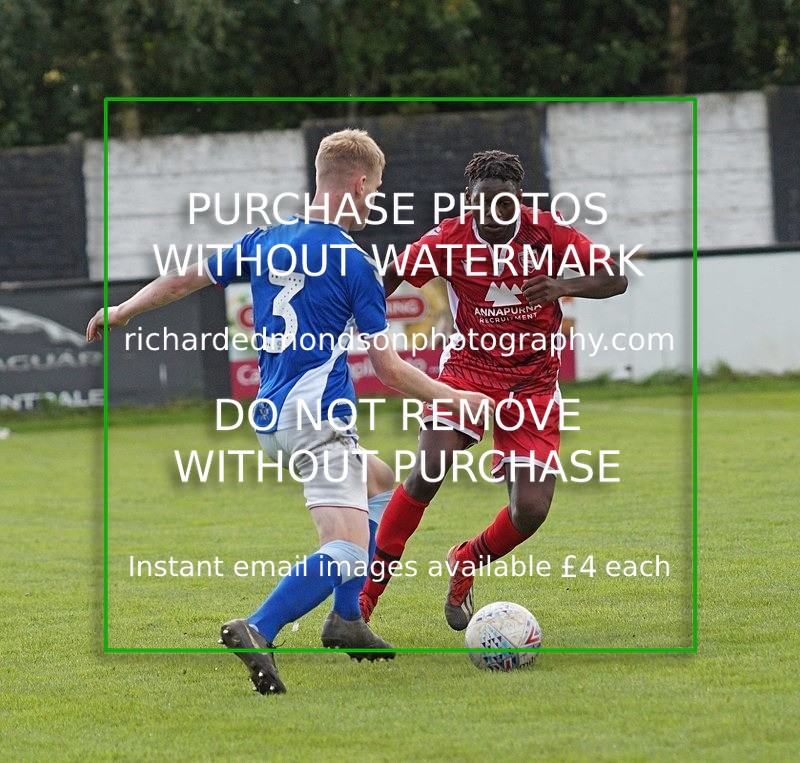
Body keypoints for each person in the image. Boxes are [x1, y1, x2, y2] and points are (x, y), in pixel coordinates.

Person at [86, 129, 492, 694]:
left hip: (273, 418)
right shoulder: (355, 264)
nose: (375, 201)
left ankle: (347, 618)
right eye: (376, 189)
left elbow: (186, 276)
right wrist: (460, 399)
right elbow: (392, 372)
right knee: (347, 548)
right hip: (319, 423)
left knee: (379, 484)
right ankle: (260, 625)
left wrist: (123, 307)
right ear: (358, 183)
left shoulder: (266, 240)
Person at [360, 149, 628, 630]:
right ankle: (362, 601)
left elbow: (616, 278)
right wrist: (364, 321)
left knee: (530, 510)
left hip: (533, 383)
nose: (494, 213)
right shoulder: (449, 238)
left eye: (505, 203)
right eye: (483, 202)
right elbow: (392, 273)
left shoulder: (548, 231)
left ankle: (466, 560)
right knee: (429, 469)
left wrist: (563, 284)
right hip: (469, 370)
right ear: (470, 200)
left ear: (518, 200)